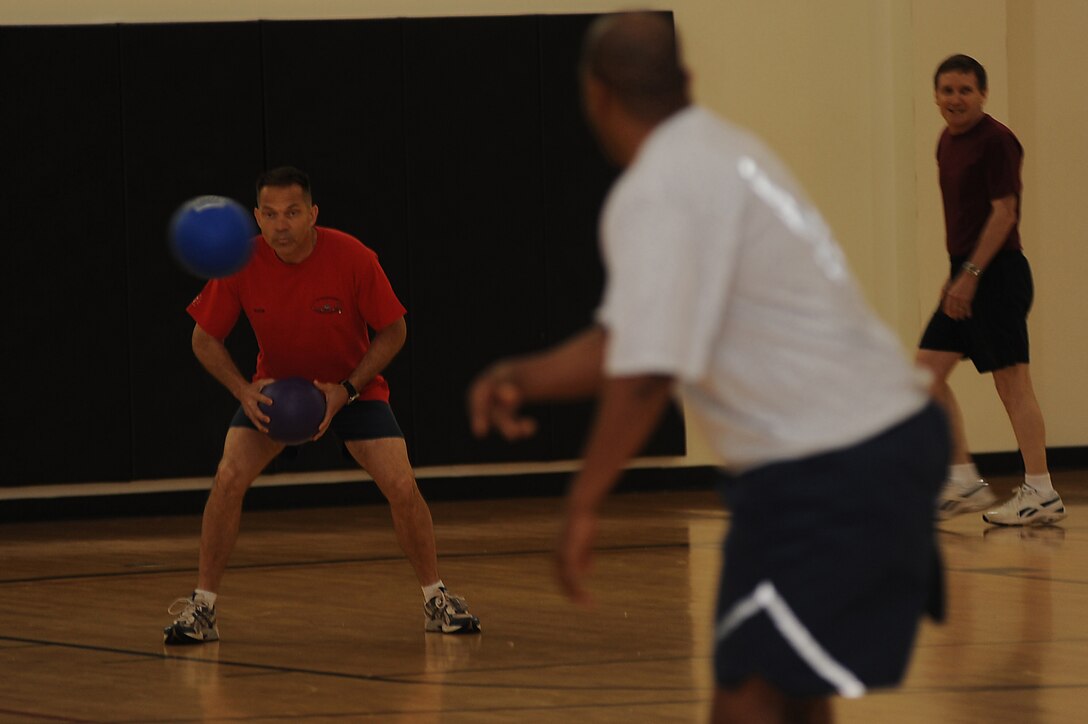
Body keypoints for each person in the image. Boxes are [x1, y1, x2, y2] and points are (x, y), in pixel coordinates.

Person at [468, 13, 948, 724]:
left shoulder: (659, 188)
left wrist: (582, 504)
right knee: (788, 684)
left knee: (748, 691)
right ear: (686, 81)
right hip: (870, 448)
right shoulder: (726, 150)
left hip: (834, 464)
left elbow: (644, 374)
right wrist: (527, 375)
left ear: (596, 95)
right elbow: (629, 338)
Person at [163, 166, 480, 644]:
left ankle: (436, 599)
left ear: (313, 214)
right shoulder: (240, 263)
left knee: (401, 482)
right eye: (269, 215)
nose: (280, 225)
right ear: (255, 217)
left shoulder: (353, 257)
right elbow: (204, 340)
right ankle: (202, 608)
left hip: (352, 390)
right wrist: (243, 391)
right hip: (275, 396)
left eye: (292, 213)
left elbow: (394, 331)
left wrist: (345, 390)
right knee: (228, 477)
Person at [921, 54, 1066, 526]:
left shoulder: (998, 141)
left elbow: (1004, 214)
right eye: (947, 90)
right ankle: (963, 479)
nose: (955, 99)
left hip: (997, 276)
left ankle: (1041, 491)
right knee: (926, 375)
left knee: (1011, 383)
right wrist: (956, 275)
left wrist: (970, 276)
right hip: (965, 274)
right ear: (937, 95)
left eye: (965, 90)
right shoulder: (946, 140)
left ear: (983, 94)